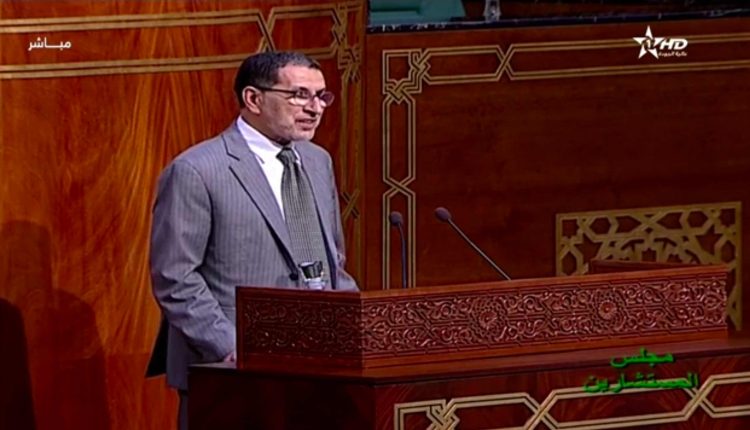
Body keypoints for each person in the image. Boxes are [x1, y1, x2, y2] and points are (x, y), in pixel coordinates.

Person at [147, 51, 359, 429]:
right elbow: (175, 277)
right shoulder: (197, 170)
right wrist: (231, 346)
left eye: (321, 96)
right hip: (231, 374)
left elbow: (332, 260)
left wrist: (357, 327)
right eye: (299, 95)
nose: (315, 108)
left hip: (319, 370)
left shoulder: (317, 160)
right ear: (253, 99)